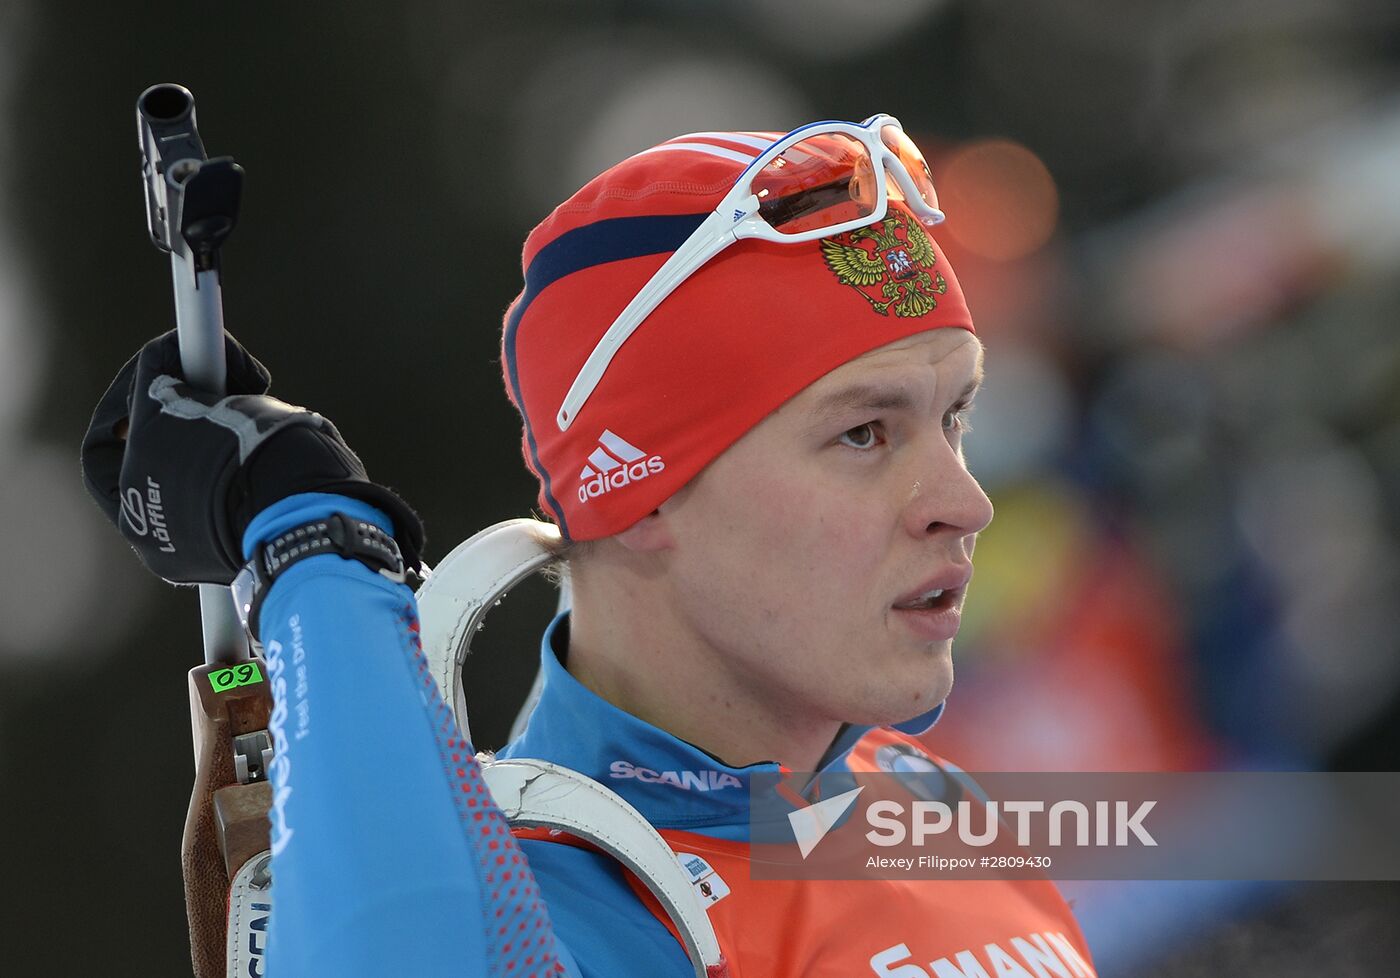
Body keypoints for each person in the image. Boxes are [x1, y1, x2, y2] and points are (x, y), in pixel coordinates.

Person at [82, 115, 1096, 977]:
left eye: (954, 417)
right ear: (641, 491)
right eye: (862, 434)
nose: (963, 502)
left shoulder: (933, 804)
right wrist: (315, 555)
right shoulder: (542, 911)